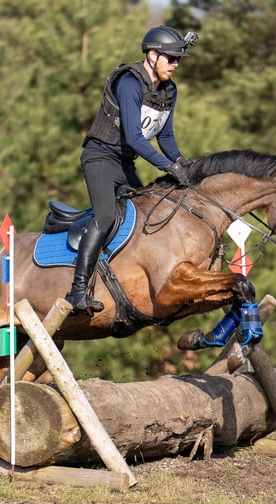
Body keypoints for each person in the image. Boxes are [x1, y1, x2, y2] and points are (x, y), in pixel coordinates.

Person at [65, 26, 198, 315]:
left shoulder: (169, 91)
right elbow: (136, 138)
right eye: (171, 59)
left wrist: (183, 164)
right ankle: (76, 292)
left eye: (178, 60)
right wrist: (167, 166)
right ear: (152, 55)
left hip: (125, 163)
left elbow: (165, 138)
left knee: (148, 212)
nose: (175, 65)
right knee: (106, 216)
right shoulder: (129, 83)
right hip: (100, 157)